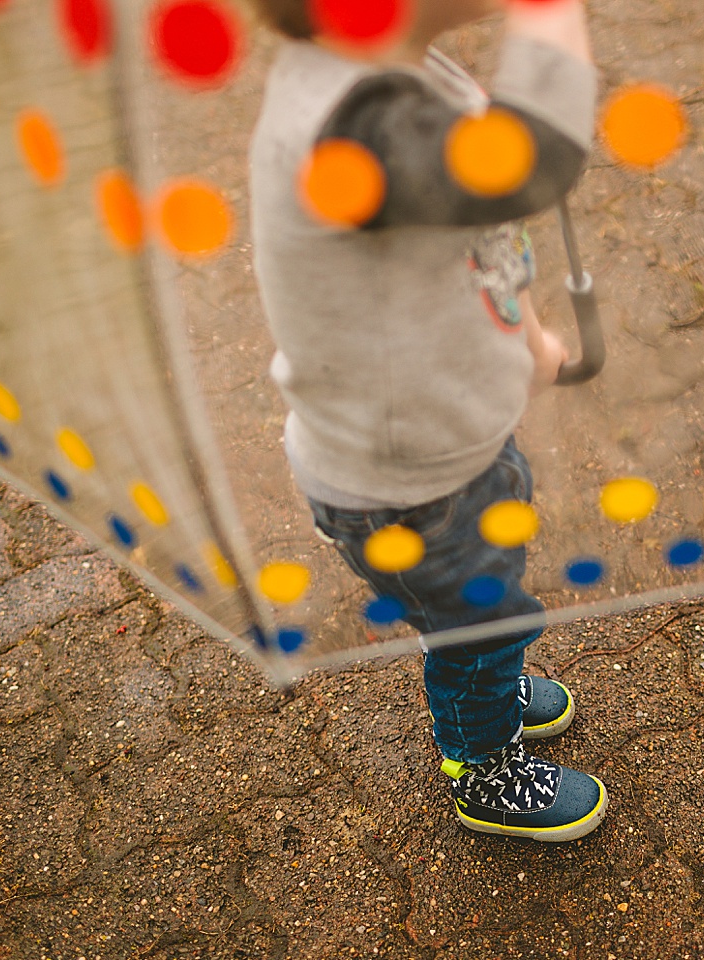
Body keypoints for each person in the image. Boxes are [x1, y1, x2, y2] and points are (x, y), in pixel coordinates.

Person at [247, 0, 605, 841]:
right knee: (482, 615)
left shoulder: (407, 75)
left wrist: (529, 338)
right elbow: (520, 167)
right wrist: (550, 18)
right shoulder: (347, 130)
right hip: (404, 485)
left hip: (453, 440)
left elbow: (462, 246)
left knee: (489, 590)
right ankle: (481, 762)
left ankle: (487, 662)